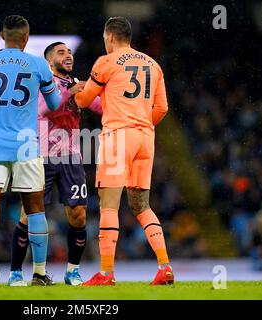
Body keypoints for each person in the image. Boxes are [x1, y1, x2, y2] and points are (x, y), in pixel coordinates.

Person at [73, 16, 174, 285]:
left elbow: (83, 101)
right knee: (141, 205)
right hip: (145, 138)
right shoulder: (153, 64)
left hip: (118, 137)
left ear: (109, 37)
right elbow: (162, 109)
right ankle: (165, 266)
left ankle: (106, 272)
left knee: (109, 206)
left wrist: (78, 90)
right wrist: (140, 123)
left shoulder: (106, 62)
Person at [0, 15, 61, 286]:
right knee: (35, 210)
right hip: (26, 147)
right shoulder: (38, 64)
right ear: (26, 37)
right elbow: (54, 104)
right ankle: (40, 274)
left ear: (1, 35)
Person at [7, 42, 102, 286]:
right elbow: (42, 110)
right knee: (30, 214)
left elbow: (98, 106)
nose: (68, 55)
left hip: (71, 157)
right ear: (50, 61)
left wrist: (120, 102)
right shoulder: (40, 82)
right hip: (41, 156)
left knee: (79, 215)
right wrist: (71, 93)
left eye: (69, 52)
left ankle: (72, 271)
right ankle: (16, 272)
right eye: (61, 53)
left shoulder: (76, 84)